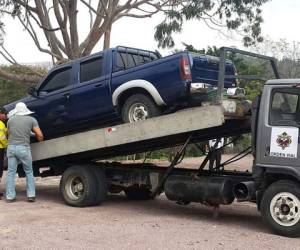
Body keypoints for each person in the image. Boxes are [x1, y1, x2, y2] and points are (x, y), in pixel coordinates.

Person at [6, 102, 44, 203]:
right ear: (25, 110)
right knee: (29, 171)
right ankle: (31, 195)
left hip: (11, 148)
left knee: (11, 173)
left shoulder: (10, 120)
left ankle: (10, 197)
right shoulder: (31, 120)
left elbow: (8, 134)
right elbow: (40, 135)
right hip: (23, 148)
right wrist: (39, 139)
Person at [0, 107, 8, 196]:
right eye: (5, 114)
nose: (6, 116)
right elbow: (2, 137)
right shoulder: (0, 124)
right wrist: (7, 145)